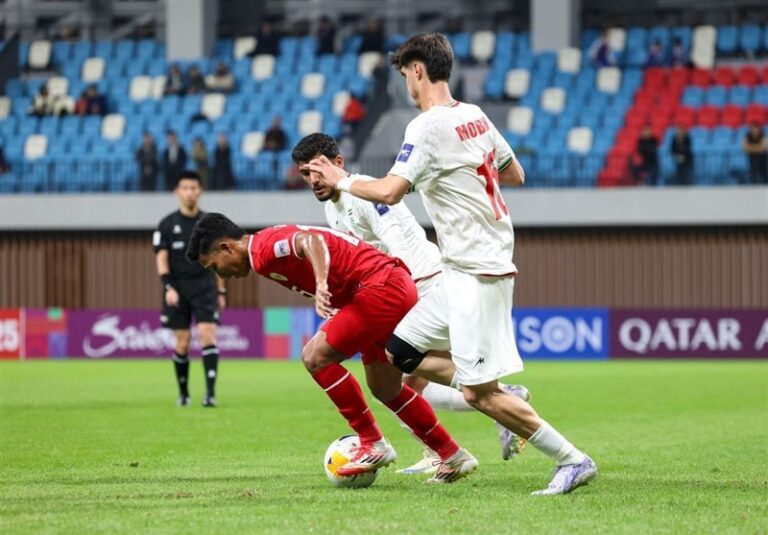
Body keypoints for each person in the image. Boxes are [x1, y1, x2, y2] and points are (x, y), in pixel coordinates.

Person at [307, 32, 597, 495]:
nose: (406, 84)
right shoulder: (475, 116)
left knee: (479, 394)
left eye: (405, 74)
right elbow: (514, 173)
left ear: (418, 70)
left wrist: (343, 179)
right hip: (460, 269)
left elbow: (389, 191)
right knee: (399, 350)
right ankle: (498, 394)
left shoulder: (426, 126)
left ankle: (572, 459)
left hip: (477, 271)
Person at [293, 132, 531, 475]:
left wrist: (398, 293)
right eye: (306, 174)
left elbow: (399, 240)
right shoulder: (335, 208)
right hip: (403, 287)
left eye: (319, 170)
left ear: (338, 164)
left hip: (421, 283)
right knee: (402, 385)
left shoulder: (363, 190)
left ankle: (502, 400)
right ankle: (446, 446)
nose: (314, 180)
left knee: (399, 382)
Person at [186, 213, 479, 483]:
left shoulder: (262, 250)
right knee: (385, 387)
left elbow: (310, 241)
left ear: (226, 248)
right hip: (386, 286)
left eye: (214, 267)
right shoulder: (265, 243)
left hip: (379, 288)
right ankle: (452, 455)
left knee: (314, 357)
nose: (220, 275)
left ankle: (372, 442)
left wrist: (322, 282)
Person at [153, 171, 226, 407]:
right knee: (182, 343)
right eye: (184, 188)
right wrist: (168, 288)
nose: (189, 192)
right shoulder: (166, 224)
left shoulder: (210, 224)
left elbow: (220, 259)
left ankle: (210, 394)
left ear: (200, 191)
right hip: (178, 290)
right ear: (177, 192)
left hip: (205, 287)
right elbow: (161, 260)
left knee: (208, 335)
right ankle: (183, 394)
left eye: (193, 188)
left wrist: (221, 291)